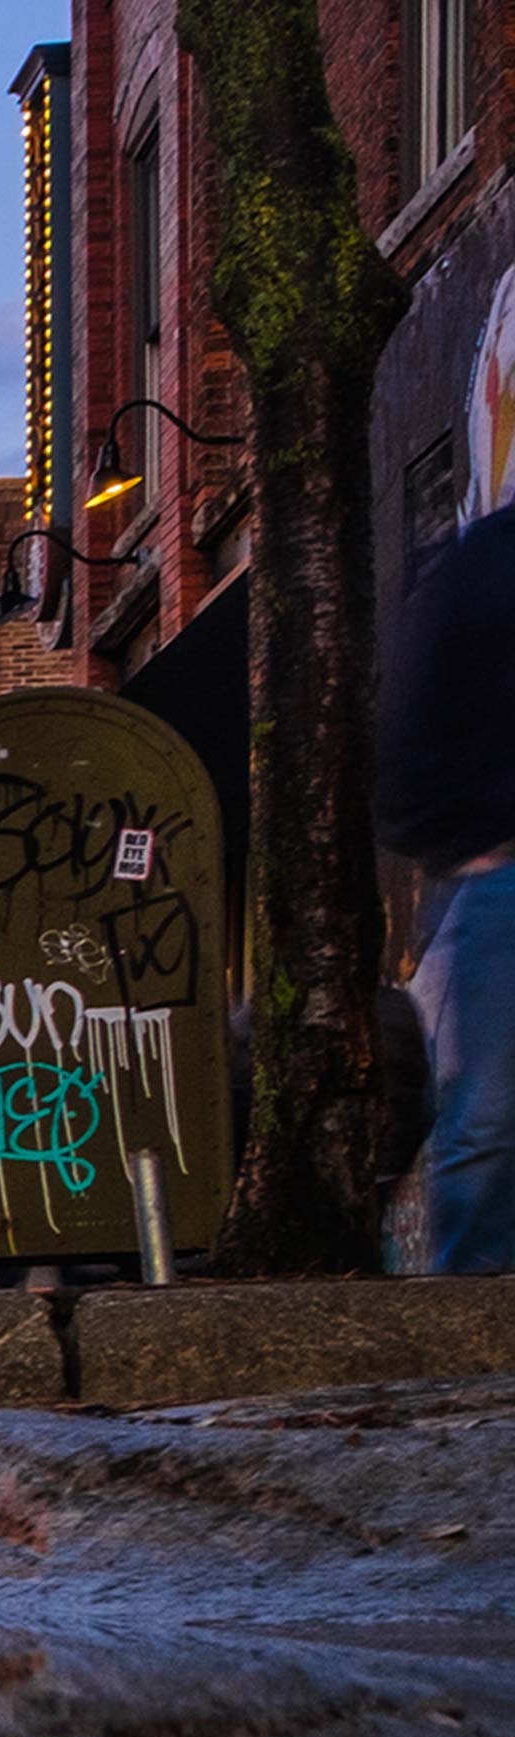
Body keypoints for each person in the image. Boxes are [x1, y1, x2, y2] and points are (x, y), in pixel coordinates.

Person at [384, 506, 515, 1270]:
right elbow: (414, 726)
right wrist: (471, 838)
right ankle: (478, 1332)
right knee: (493, 1126)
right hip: (502, 871)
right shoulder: (483, 564)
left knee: (492, 1125)